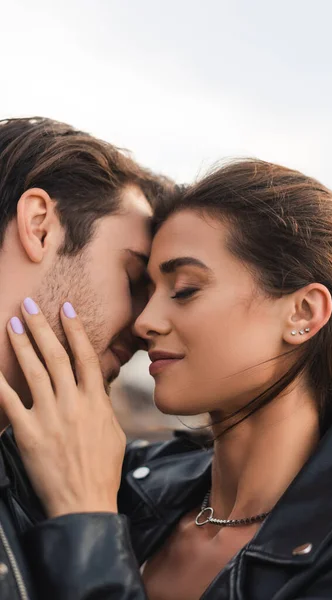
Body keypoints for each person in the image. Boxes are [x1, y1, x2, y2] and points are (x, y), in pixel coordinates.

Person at [1, 159, 332, 599]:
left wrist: (89, 524)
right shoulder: (123, 480)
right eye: (145, 290)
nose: (145, 321)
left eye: (185, 289)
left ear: (302, 313)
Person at [0, 116, 169, 599]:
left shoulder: (35, 471)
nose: (145, 325)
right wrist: (87, 524)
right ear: (40, 227)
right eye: (134, 279)